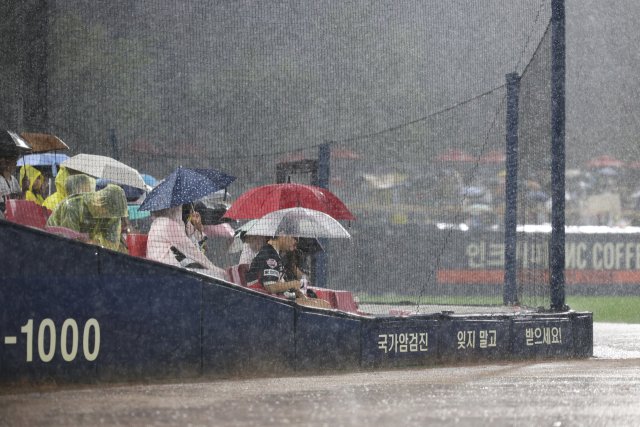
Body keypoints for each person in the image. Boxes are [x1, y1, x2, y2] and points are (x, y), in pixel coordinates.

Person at [246, 227, 331, 309]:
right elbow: (270, 286)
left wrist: (297, 292)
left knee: (325, 304)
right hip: (264, 302)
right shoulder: (269, 254)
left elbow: (280, 283)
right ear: (282, 234)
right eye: (293, 237)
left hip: (276, 300)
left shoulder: (275, 253)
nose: (295, 241)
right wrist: (292, 284)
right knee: (320, 306)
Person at [146, 204, 227, 279]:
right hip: (168, 271)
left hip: (157, 269)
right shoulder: (169, 224)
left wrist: (198, 227)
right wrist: (213, 268)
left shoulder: (158, 222)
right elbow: (191, 250)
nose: (190, 216)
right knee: (214, 276)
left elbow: (198, 242)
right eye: (189, 213)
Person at [47, 184, 129, 253]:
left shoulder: (113, 215)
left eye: (113, 215)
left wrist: (95, 243)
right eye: (108, 213)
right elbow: (69, 243)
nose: (111, 218)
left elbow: (111, 246)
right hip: (54, 246)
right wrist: (92, 243)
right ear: (99, 201)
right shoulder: (73, 206)